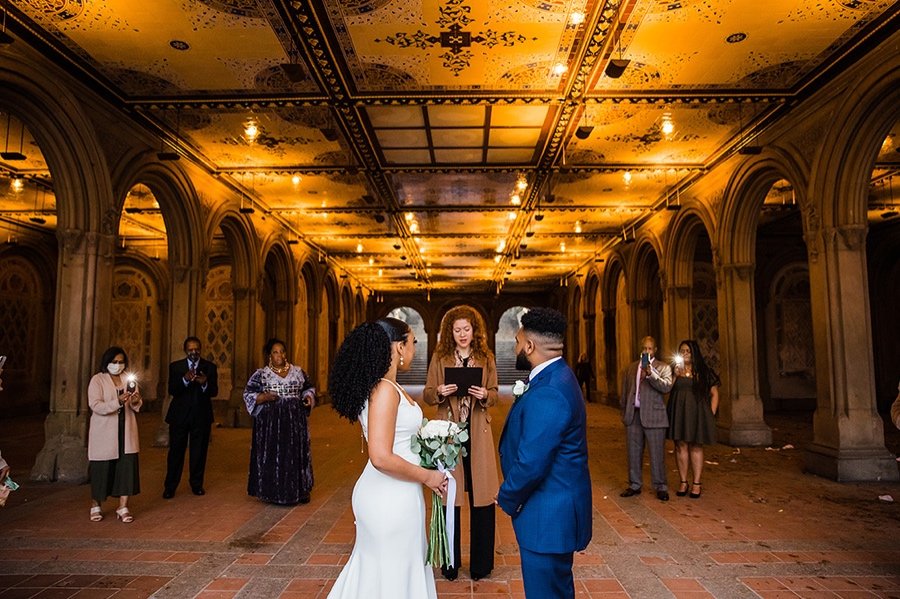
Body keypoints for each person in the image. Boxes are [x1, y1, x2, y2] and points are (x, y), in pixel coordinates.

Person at [327, 318, 448, 599]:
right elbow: (381, 456)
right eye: (413, 342)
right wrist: (428, 476)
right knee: (390, 573)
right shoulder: (383, 389)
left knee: (393, 570)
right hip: (388, 495)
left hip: (401, 490)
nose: (415, 349)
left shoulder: (391, 387)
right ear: (398, 347)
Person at [496, 307, 592, 599]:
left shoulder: (549, 389)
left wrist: (507, 497)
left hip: (547, 517)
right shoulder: (561, 375)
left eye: (517, 341)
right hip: (555, 514)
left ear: (529, 346)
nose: (515, 347)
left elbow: (532, 462)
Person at [423, 305, 500, 581]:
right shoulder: (440, 357)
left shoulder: (486, 357)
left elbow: (494, 392)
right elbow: (428, 393)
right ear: (449, 333)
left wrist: (484, 395)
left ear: (474, 331)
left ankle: (481, 565)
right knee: (449, 497)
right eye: (457, 330)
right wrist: (440, 392)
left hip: (478, 431)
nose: (462, 334)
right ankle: (449, 564)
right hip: (449, 434)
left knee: (482, 497)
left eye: (467, 329)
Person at [243, 338, 317, 505]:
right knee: (274, 454)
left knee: (295, 454)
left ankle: (299, 490)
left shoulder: (298, 372)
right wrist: (264, 397)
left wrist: (307, 397)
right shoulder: (261, 374)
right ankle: (273, 492)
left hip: (295, 422)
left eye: (282, 351)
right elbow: (248, 394)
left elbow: (309, 388)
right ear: (270, 355)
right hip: (271, 423)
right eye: (275, 352)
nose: (280, 355)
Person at [87, 346, 142, 523]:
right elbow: (95, 405)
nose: (118, 365)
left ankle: (123, 506)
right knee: (101, 469)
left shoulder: (128, 379)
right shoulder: (98, 380)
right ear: (107, 362)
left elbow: (136, 403)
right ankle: (96, 505)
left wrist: (135, 401)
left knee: (126, 467)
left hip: (125, 430)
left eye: (121, 362)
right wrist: (116, 401)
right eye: (114, 362)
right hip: (105, 431)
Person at [619, 336, 674, 501]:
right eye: (644, 349)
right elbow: (625, 391)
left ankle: (660, 486)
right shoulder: (631, 368)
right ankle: (634, 484)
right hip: (633, 415)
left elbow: (666, 387)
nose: (647, 352)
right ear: (640, 350)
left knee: (657, 454)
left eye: (650, 349)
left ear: (655, 350)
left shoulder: (663, 367)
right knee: (633, 453)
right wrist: (624, 412)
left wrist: (651, 374)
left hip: (654, 416)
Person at [163, 336, 219, 498]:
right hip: (179, 416)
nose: (194, 352)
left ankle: (196, 484)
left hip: (201, 416)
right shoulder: (176, 367)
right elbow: (173, 390)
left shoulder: (209, 367)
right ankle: (170, 486)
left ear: (200, 349)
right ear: (185, 350)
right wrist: (185, 380)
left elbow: (214, 391)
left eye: (196, 349)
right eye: (190, 349)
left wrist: (204, 383)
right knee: (175, 452)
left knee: (199, 452)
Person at [667, 339, 720, 499]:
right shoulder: (674, 370)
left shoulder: (703, 372)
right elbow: (666, 389)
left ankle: (696, 483)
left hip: (697, 413)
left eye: (687, 351)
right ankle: (683, 481)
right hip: (679, 411)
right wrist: (675, 375)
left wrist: (709, 415)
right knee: (680, 445)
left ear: (694, 353)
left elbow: (714, 394)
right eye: (682, 351)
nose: (685, 354)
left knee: (696, 446)